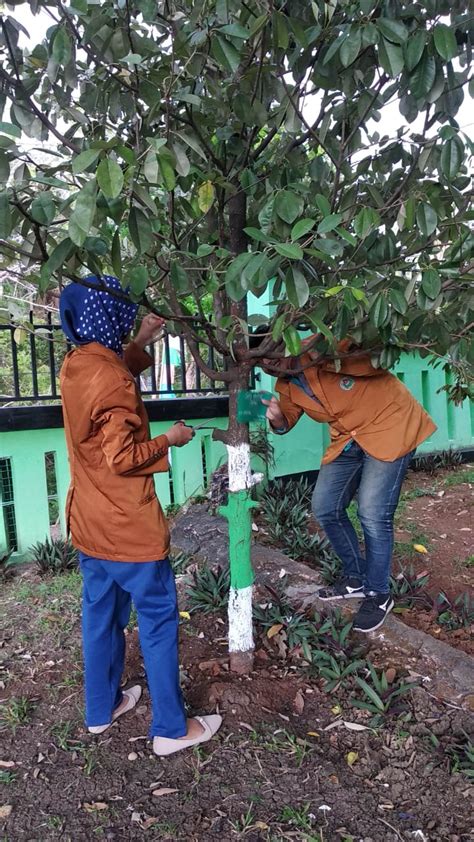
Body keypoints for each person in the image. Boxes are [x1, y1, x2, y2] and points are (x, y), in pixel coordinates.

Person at [59, 274, 222, 756]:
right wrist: (170, 439)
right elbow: (122, 456)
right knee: (156, 619)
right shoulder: (110, 377)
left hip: (89, 523)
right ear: (108, 318)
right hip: (128, 530)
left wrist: (141, 343)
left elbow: (108, 381)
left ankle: (100, 709)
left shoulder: (78, 362)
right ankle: (171, 729)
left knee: (100, 617)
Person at [260, 335, 437, 633]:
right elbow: (286, 422)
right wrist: (276, 417)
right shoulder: (286, 385)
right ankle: (355, 578)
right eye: (261, 360)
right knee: (325, 507)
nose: (269, 363)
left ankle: (379, 594)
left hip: (389, 425)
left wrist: (336, 352)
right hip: (347, 439)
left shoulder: (325, 347)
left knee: (372, 514)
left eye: (273, 353)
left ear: (287, 342)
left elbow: (375, 351)